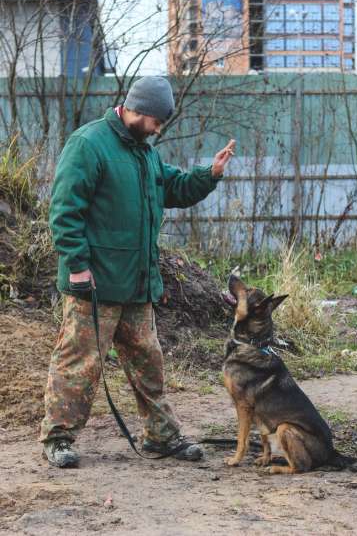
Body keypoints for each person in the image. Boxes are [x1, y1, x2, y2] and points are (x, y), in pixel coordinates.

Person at [40, 76, 235, 467]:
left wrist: (209, 174)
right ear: (139, 108)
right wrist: (77, 266)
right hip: (94, 284)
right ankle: (58, 438)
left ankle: (161, 437)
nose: (159, 129)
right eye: (157, 120)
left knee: (149, 363)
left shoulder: (144, 153)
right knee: (79, 362)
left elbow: (173, 188)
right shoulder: (89, 145)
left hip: (137, 283)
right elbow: (64, 212)